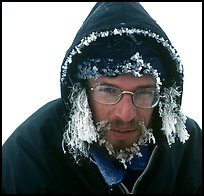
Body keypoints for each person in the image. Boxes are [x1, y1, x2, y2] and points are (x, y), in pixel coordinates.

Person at [2, 2, 202, 194]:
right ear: (82, 93)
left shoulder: (187, 150)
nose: (126, 114)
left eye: (144, 92)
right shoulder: (31, 157)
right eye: (108, 90)